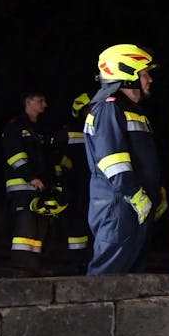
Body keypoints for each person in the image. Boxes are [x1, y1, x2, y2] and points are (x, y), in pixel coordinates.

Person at [85, 44, 166, 275]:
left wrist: (155, 192)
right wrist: (135, 194)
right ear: (127, 75)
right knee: (106, 276)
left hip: (135, 205)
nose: (149, 79)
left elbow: (142, 159)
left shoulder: (132, 111)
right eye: (144, 74)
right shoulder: (109, 109)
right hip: (120, 205)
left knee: (130, 277)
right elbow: (112, 160)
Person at [0, 90, 57, 275]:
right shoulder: (15, 126)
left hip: (39, 187)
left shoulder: (40, 129)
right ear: (28, 101)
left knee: (38, 228)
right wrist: (30, 176)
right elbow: (15, 156)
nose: (45, 105)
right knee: (25, 227)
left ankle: (32, 266)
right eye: (41, 100)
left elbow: (48, 159)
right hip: (22, 186)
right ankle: (20, 267)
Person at [57, 92, 94, 273]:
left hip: (91, 183)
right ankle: (76, 260)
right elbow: (56, 154)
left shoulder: (96, 126)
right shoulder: (70, 130)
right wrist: (65, 165)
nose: (93, 110)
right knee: (75, 222)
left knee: (89, 221)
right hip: (74, 184)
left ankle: (86, 260)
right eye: (90, 108)